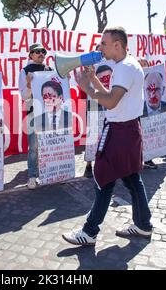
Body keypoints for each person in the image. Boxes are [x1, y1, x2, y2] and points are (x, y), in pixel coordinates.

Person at [62, 27, 153, 246]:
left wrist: (87, 88)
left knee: (103, 178)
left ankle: (90, 232)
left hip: (120, 132)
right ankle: (143, 224)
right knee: (132, 180)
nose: (100, 47)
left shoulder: (124, 68)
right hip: (126, 130)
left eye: (104, 43)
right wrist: (93, 79)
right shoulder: (127, 65)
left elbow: (111, 102)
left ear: (117, 45)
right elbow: (114, 96)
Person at [18, 43, 53, 190]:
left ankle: (50, 173)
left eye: (43, 52)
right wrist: (29, 85)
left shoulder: (50, 69)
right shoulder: (25, 71)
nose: (41, 54)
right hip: (33, 111)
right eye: (37, 51)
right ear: (31, 54)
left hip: (50, 112)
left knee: (50, 144)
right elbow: (24, 96)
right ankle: (32, 175)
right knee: (33, 146)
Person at [84, 64, 112, 178]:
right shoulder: (91, 67)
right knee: (92, 137)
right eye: (102, 79)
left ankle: (108, 164)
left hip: (111, 109)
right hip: (94, 108)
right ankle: (89, 165)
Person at [138, 58, 158, 170]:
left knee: (148, 135)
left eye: (144, 64)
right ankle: (138, 160)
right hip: (137, 110)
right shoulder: (135, 75)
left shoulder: (152, 78)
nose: (142, 66)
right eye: (140, 64)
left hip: (149, 110)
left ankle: (148, 159)